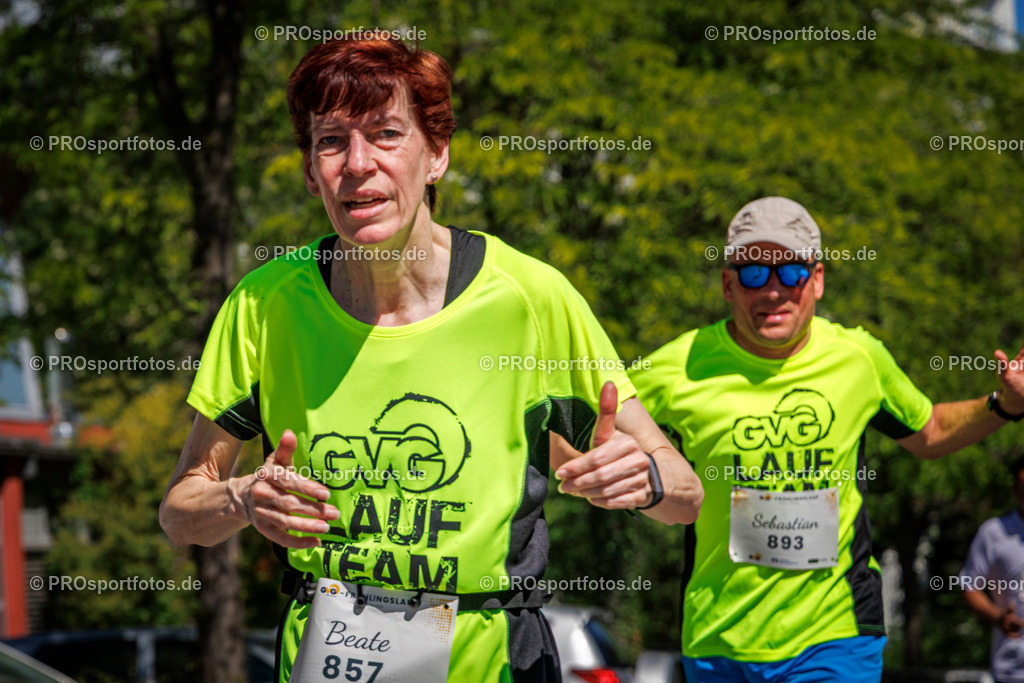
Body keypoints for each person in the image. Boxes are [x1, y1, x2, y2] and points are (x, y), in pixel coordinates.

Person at [158, 35, 703, 683]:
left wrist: (645, 478)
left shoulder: (529, 299)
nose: (358, 163)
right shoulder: (264, 305)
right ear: (310, 171)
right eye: (331, 141)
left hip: (493, 656)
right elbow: (180, 511)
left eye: (387, 133)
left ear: (436, 155)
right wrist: (244, 497)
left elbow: (688, 494)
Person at [629, 196, 1024, 682]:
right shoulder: (679, 365)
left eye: (789, 272)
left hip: (835, 635)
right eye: (754, 274)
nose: (772, 291)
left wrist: (1004, 404)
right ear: (728, 284)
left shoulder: (859, 358)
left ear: (816, 279)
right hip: (718, 637)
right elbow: (591, 427)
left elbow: (931, 432)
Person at [962, 455, 1024, 683]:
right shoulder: (994, 533)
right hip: (1013, 667)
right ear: (1014, 488)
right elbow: (969, 586)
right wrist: (998, 617)